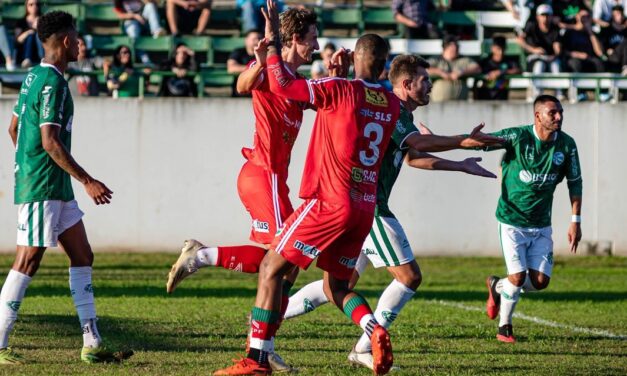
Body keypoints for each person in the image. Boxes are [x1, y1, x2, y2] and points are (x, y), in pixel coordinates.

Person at [282, 54, 502, 372]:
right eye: (425, 80)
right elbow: (416, 144)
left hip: (361, 205)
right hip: (370, 208)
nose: (430, 85)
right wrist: (461, 142)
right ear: (406, 84)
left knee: (337, 286)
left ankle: (270, 314)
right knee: (409, 277)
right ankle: (364, 347)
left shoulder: (398, 113)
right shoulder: (393, 108)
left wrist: (459, 165)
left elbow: (411, 156)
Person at [166, 6, 320, 373]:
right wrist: (263, 54)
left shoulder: (296, 82)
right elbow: (242, 85)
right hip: (260, 174)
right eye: (312, 36)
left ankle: (263, 346)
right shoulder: (271, 72)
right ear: (296, 39)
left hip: (273, 180)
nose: (316, 43)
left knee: (290, 266)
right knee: (281, 261)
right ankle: (201, 259)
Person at [2, 11, 133, 365]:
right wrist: (87, 181)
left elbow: (14, 129)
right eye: (77, 38)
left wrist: (25, 164)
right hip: (44, 186)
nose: (81, 44)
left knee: (82, 255)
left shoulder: (32, 76)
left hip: (52, 184)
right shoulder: (55, 83)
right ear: (64, 41)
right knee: (27, 261)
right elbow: (49, 140)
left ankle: (91, 341)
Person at [483, 95, 582, 343]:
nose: (559, 117)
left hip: (541, 224)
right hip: (511, 221)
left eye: (560, 112)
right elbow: (483, 141)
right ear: (538, 116)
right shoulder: (518, 137)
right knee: (517, 278)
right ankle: (504, 328)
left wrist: (575, 220)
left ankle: (497, 286)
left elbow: (575, 182)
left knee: (540, 282)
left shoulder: (567, 145)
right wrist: (442, 142)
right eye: (553, 113)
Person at [517, 4, 563, 99]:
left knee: (556, 65)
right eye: (543, 15)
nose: (545, 18)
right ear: (538, 16)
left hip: (550, 58)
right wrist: (533, 50)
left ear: (551, 16)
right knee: (539, 65)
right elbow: (519, 40)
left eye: (547, 15)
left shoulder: (555, 29)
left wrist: (554, 55)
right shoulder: (531, 26)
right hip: (534, 57)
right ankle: (537, 94)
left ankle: (559, 93)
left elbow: (557, 48)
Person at [427, 36, 481, 101]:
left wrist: (462, 72)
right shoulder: (436, 59)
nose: (455, 48)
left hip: (461, 103)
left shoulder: (464, 60)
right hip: (439, 103)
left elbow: (477, 68)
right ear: (445, 47)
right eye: (452, 46)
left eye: (456, 46)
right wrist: (440, 72)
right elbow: (424, 68)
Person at [475, 36, 521, 100]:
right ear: (492, 48)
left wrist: (501, 72)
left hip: (502, 100)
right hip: (484, 99)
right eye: (498, 48)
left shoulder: (509, 61)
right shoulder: (484, 62)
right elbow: (475, 74)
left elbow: (519, 70)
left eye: (503, 49)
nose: (501, 52)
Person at [562, 8, 605, 73]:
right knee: (576, 64)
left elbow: (599, 52)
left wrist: (590, 32)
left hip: (589, 58)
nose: (585, 19)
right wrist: (578, 55)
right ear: (577, 17)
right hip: (574, 58)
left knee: (599, 63)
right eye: (582, 16)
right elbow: (564, 51)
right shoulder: (569, 32)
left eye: (587, 16)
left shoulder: (593, 33)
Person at [227, 29, 261, 97]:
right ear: (246, 40)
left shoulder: (263, 54)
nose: (257, 41)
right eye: (254, 39)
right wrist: (254, 69)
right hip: (240, 92)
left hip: (257, 93)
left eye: (259, 38)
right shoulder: (238, 52)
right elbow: (231, 68)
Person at [15, 0, 44, 68]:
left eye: (37, 4)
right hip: (24, 53)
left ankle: (43, 59)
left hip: (39, 53)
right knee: (30, 35)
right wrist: (28, 32)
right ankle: (27, 59)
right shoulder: (21, 22)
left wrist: (39, 27)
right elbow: (17, 41)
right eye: (31, 4)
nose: (34, 6)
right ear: (26, 6)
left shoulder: (43, 20)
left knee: (37, 35)